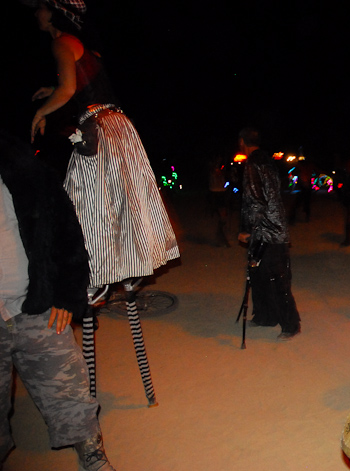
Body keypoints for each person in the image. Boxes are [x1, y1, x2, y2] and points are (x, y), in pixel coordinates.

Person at [29, 0, 179, 290]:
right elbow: (84, 88)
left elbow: (69, 89)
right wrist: (53, 92)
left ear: (54, 12)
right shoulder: (83, 47)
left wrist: (41, 111)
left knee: (86, 198)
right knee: (121, 197)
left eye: (41, 7)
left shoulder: (62, 43)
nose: (37, 13)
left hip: (99, 128)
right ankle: (127, 266)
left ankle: (94, 277)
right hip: (118, 126)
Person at [0, 131, 115, 471]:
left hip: (33, 305)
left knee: (71, 387)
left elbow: (66, 233)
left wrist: (67, 295)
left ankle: (91, 452)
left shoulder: (26, 172)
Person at [237, 127, 301, 341]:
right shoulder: (268, 162)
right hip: (272, 229)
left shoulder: (253, 164)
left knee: (276, 278)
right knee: (260, 275)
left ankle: (290, 324)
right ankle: (265, 316)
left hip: (267, 232)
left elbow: (256, 201)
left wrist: (247, 229)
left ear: (242, 142)